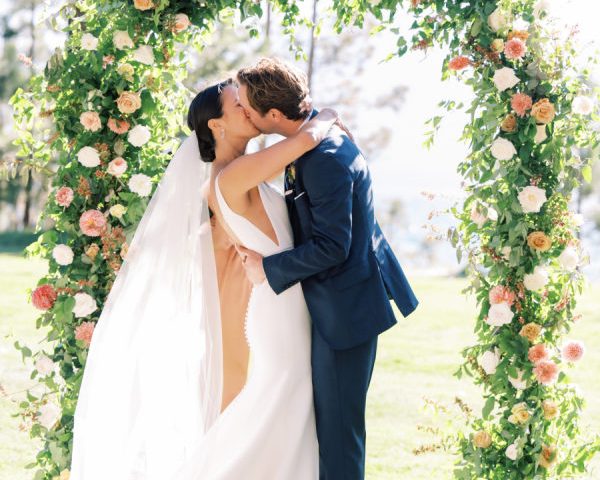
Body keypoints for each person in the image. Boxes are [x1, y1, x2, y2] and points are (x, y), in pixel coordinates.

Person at [70, 76, 345, 479]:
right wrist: (327, 117)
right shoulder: (230, 177)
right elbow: (305, 141)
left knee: (276, 411)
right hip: (269, 306)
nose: (249, 111)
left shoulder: (240, 173)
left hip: (283, 300)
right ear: (216, 125)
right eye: (239, 107)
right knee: (265, 408)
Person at [236, 58, 420, 479]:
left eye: (247, 107)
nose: (244, 113)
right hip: (336, 302)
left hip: (346, 309)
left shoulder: (324, 159)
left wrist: (268, 267)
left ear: (275, 116)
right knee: (333, 429)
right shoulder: (317, 138)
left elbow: (332, 247)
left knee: (339, 434)